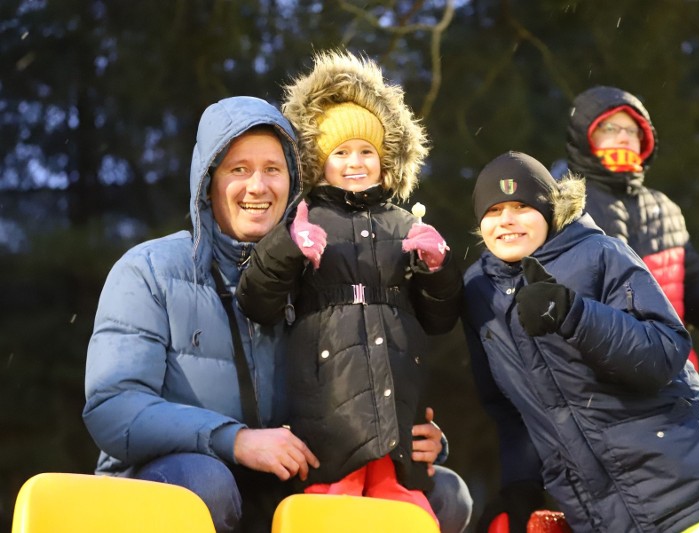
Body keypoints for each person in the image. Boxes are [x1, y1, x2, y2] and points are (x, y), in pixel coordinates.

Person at [83, 95, 472, 533]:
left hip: (283, 482)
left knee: (446, 496)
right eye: (238, 169)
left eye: (273, 169)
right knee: (208, 484)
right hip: (167, 485)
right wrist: (234, 440)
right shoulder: (149, 270)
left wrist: (412, 440)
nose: (257, 187)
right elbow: (113, 409)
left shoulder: (322, 273)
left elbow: (370, 362)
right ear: (208, 181)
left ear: (294, 180)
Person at [463, 151, 699, 532]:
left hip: (690, 493)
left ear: (549, 211)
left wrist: (575, 315)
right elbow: (509, 411)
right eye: (493, 211)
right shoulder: (478, 290)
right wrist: (521, 488)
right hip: (602, 518)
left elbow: (664, 351)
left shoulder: (601, 253)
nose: (507, 220)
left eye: (521, 206)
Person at [236, 50, 461, 526]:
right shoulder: (305, 217)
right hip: (327, 402)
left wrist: (437, 268)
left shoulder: (406, 222)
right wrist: (288, 248)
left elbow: (439, 318)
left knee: (402, 508)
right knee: (331, 507)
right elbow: (258, 300)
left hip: (397, 402)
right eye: (341, 153)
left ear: (386, 160)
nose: (355, 162)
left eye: (366, 152)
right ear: (320, 162)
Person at [563, 85, 699, 370]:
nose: (624, 137)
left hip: (676, 375)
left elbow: (694, 284)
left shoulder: (666, 209)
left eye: (633, 130)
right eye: (610, 127)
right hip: (596, 380)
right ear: (584, 135)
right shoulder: (561, 206)